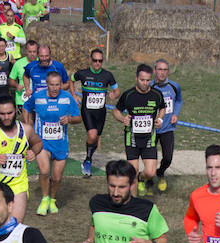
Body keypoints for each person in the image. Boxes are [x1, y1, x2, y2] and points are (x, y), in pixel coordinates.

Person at [22, 71, 81, 215]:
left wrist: (69, 120)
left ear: (61, 85)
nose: (55, 88)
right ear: (47, 84)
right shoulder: (38, 96)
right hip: (42, 142)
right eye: (52, 85)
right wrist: (28, 123)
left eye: (58, 85)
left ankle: (52, 199)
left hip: (60, 143)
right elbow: (26, 107)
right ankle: (44, 198)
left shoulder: (67, 98)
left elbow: (78, 118)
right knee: (44, 170)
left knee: (57, 177)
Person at [113, 64, 165, 196]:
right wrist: (122, 119)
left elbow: (163, 108)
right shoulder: (128, 95)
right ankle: (134, 203)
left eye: (148, 80)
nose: (145, 83)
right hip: (132, 139)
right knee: (133, 172)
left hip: (149, 139)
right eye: (142, 80)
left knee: (150, 173)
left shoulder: (156, 94)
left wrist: (160, 119)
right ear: (136, 78)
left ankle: (142, 179)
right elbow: (116, 111)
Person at [73, 47, 119, 178]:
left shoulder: (108, 75)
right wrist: (73, 95)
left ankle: (88, 158)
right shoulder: (82, 73)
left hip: (101, 112)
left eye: (100, 61)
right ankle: (88, 160)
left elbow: (117, 90)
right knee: (92, 136)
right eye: (95, 60)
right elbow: (71, 80)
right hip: (87, 110)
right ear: (90, 60)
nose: (97, 63)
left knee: (96, 139)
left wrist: (114, 95)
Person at [151, 59, 182, 192]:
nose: (162, 73)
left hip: (168, 128)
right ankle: (146, 180)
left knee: (168, 158)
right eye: (159, 69)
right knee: (151, 160)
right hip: (151, 129)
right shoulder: (149, 86)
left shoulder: (174, 86)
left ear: (168, 71)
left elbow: (179, 100)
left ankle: (161, 172)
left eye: (165, 70)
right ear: (154, 71)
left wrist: (175, 113)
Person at [8, 39, 36, 114]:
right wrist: (17, 85)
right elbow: (10, 80)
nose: (32, 54)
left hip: (37, 98)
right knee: (26, 123)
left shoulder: (41, 63)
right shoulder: (18, 63)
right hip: (22, 99)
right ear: (26, 51)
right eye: (30, 52)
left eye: (34, 52)